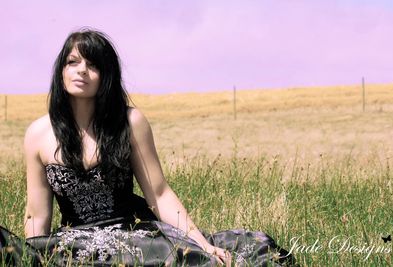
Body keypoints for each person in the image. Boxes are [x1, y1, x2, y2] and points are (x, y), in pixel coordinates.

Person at [0, 28, 296, 266]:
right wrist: (34, 258)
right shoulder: (38, 133)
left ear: (106, 76)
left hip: (129, 239)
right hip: (73, 245)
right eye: (73, 62)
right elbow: (37, 215)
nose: (81, 71)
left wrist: (202, 244)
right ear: (61, 70)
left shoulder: (130, 122)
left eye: (92, 65)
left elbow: (159, 193)